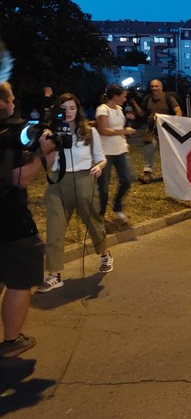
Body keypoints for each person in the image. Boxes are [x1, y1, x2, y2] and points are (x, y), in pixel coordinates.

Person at [0, 82, 57, 357]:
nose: (14, 103)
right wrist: (41, 155)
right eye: (10, 99)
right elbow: (18, 179)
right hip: (10, 221)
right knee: (20, 280)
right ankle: (12, 341)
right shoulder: (4, 137)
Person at [38, 93, 115, 294]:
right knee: (54, 227)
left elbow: (101, 158)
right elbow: (44, 162)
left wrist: (99, 167)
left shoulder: (88, 131)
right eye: (64, 108)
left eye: (72, 108)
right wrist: (51, 141)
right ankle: (54, 274)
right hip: (58, 181)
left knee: (93, 222)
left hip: (84, 179)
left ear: (78, 109)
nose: (69, 112)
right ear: (58, 110)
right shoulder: (50, 132)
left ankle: (105, 254)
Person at [95, 84, 135, 223]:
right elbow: (104, 130)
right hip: (105, 152)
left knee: (127, 180)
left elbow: (118, 128)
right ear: (115, 96)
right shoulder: (102, 109)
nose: (125, 99)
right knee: (103, 186)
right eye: (123, 96)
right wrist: (124, 132)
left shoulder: (119, 109)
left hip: (120, 150)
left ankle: (117, 206)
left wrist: (124, 141)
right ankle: (100, 214)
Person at [140, 79, 183, 184]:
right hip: (152, 129)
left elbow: (179, 112)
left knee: (168, 153)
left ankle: (172, 175)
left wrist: (170, 123)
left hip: (166, 131)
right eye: (152, 86)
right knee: (149, 149)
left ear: (161, 87)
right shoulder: (148, 99)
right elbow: (142, 113)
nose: (154, 88)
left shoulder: (168, 98)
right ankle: (147, 173)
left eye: (156, 86)